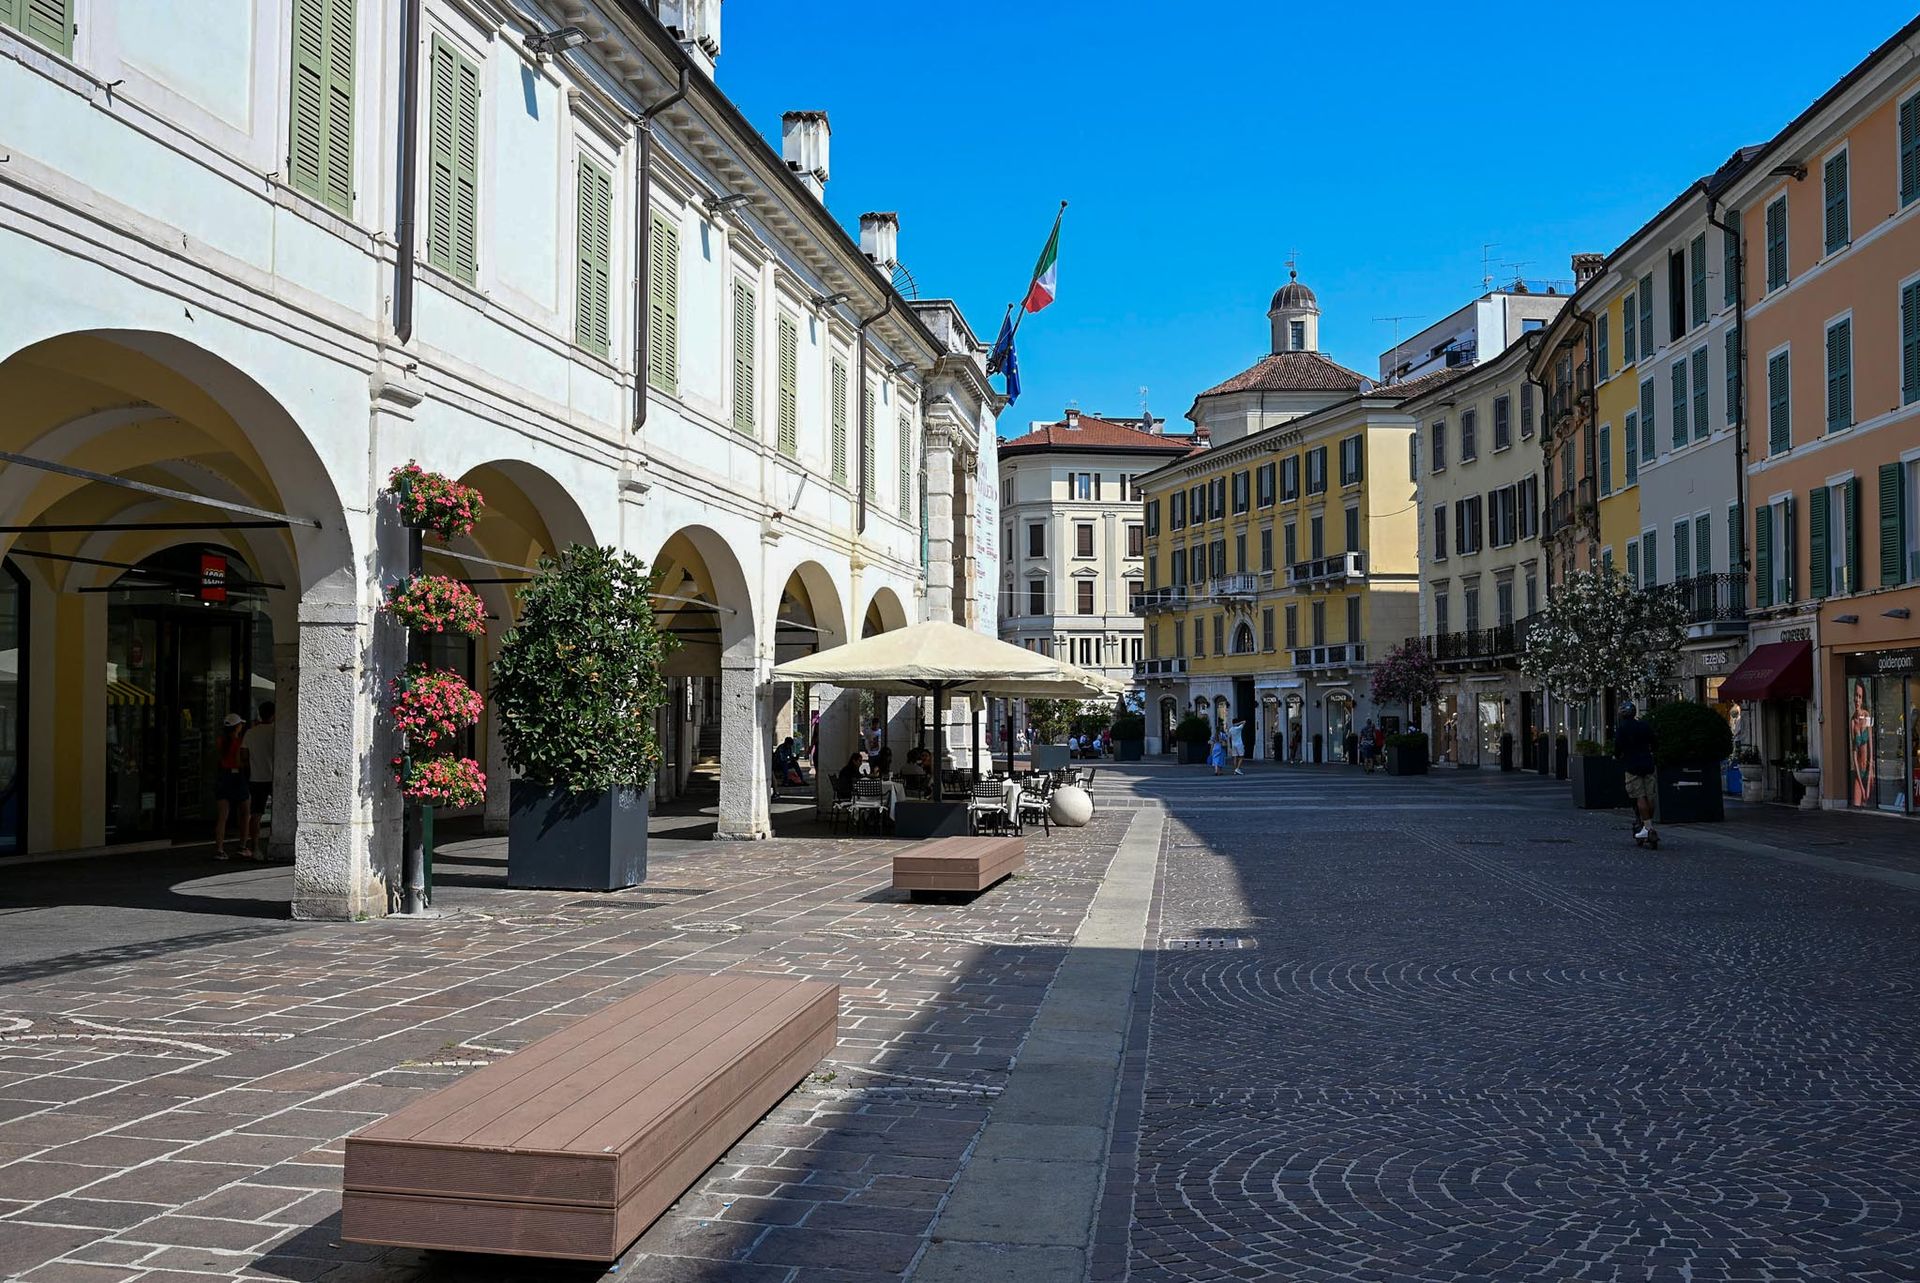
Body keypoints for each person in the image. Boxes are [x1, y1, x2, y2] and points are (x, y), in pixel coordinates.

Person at [1614, 700, 1659, 844]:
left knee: (1639, 797)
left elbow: (1618, 747)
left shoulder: (1622, 729)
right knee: (1650, 797)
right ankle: (1648, 823)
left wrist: (1616, 755)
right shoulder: (1644, 726)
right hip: (1647, 763)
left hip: (1632, 766)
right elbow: (1654, 742)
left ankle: (1648, 827)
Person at [240, 702, 276, 860]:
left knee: (256, 814)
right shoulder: (277, 732)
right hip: (275, 777)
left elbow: (243, 756)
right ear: (274, 715)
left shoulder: (250, 733)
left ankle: (255, 847)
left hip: (256, 777)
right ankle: (278, 842)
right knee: (281, 811)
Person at [212, 712, 249, 860]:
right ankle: (243, 846)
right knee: (245, 812)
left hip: (223, 776)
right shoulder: (240, 742)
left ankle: (219, 849)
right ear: (237, 727)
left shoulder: (220, 741)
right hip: (237, 777)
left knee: (222, 816)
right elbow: (240, 762)